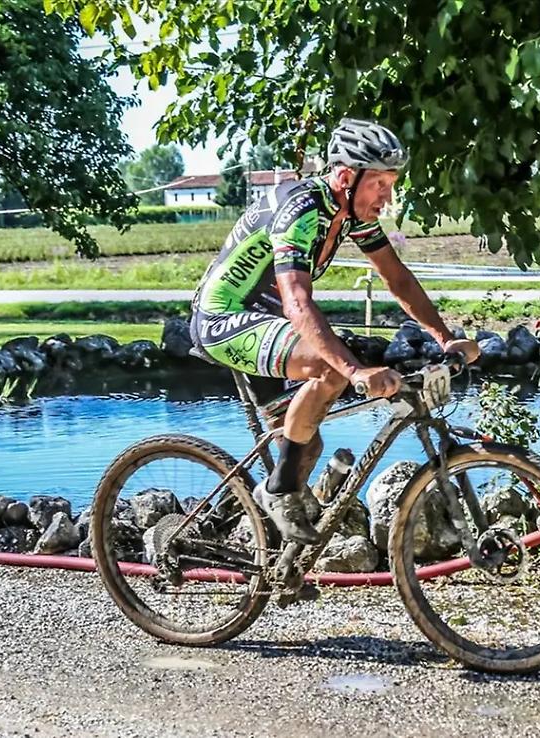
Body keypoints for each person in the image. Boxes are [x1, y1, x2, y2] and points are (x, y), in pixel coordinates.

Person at [190, 118, 480, 544]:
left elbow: (396, 278)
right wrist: (356, 372)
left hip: (272, 326)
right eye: (378, 182)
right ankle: (277, 494)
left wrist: (443, 337)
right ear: (346, 176)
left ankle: (276, 564)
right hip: (225, 320)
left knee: (307, 443)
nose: (387, 195)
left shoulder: (350, 214)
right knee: (332, 371)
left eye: (391, 182)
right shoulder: (303, 210)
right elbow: (297, 302)